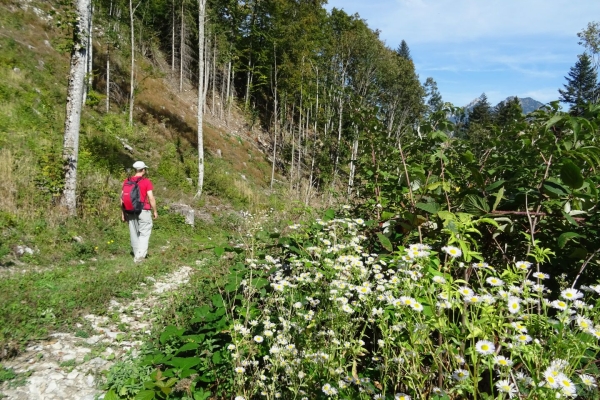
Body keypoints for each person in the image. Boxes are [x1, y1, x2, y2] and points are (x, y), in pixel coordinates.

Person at [121, 161, 158, 263]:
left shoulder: (127, 181)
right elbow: (151, 198)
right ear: (143, 170)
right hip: (143, 210)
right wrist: (155, 210)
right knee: (144, 233)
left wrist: (123, 213)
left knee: (134, 233)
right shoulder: (146, 181)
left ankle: (136, 254)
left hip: (130, 210)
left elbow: (122, 198)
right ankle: (139, 258)